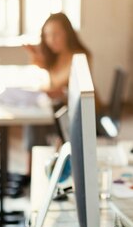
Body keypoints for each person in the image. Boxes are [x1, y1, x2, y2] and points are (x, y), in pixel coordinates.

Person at [22, 12, 91, 180]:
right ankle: (33, 172)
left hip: (78, 115)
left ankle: (33, 173)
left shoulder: (80, 57)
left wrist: (56, 91)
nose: (50, 40)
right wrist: (35, 57)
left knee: (34, 121)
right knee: (33, 118)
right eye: (47, 35)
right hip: (60, 109)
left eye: (55, 34)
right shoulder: (56, 57)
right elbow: (51, 82)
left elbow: (64, 87)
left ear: (67, 33)